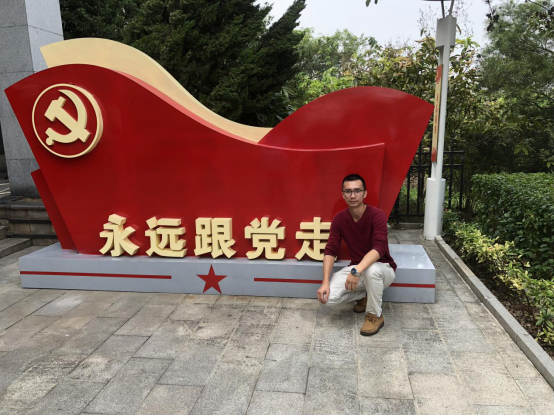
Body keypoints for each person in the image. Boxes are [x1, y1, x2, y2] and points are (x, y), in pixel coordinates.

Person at [317, 174, 397, 336]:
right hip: (358, 268)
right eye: (348, 191)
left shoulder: (377, 215)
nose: (353, 195)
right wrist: (325, 282)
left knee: (372, 270)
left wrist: (356, 271)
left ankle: (374, 315)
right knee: (327, 298)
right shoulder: (339, 219)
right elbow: (331, 250)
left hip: (383, 268)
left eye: (357, 191)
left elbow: (379, 248)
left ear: (364, 193)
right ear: (343, 195)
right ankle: (364, 297)